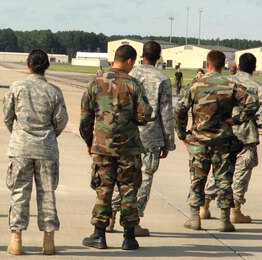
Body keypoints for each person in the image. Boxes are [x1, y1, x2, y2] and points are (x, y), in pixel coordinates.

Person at [175, 50, 258, 232]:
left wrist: (183, 134)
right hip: (222, 142)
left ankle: (195, 218)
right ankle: (224, 220)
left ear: (207, 65)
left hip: (199, 141)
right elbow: (253, 102)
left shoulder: (196, 85)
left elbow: (180, 110)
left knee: (197, 179)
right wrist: (237, 120)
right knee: (223, 180)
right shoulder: (230, 85)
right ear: (223, 66)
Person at [80, 45, 151, 250]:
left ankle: (99, 235)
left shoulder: (95, 82)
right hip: (129, 148)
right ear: (129, 61)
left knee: (104, 189)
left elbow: (85, 118)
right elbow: (144, 115)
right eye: (133, 63)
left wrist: (88, 142)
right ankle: (129, 238)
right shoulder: (133, 84)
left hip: (102, 147)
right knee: (129, 191)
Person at [3, 49, 68, 256]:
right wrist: (48, 135)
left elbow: (7, 116)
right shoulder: (54, 91)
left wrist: (19, 134)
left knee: (20, 192)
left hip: (21, 148)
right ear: (46, 66)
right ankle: (48, 240)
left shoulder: (17, 87)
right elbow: (61, 121)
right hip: (46, 148)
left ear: (28, 65)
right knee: (47, 194)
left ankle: (16, 239)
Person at [108, 41, 175, 236]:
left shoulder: (129, 74)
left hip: (126, 131)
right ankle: (133, 221)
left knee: (121, 175)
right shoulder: (162, 79)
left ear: (142, 55)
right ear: (158, 57)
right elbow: (166, 112)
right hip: (151, 133)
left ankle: (111, 215)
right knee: (144, 178)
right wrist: (168, 141)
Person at [201, 53, 262, 223]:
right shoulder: (258, 86)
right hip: (247, 133)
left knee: (220, 168)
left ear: (239, 67)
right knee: (242, 170)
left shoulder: (227, 83)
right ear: (254, 68)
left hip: (225, 131)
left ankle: (204, 207)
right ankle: (235, 210)